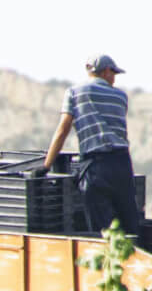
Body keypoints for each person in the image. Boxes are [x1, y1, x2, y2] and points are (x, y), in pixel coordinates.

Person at [37, 54, 141, 237]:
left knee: (103, 232)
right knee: (130, 227)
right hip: (122, 164)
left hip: (96, 166)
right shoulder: (121, 97)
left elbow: (63, 130)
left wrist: (46, 166)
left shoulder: (74, 93)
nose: (114, 78)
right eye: (114, 73)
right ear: (106, 71)